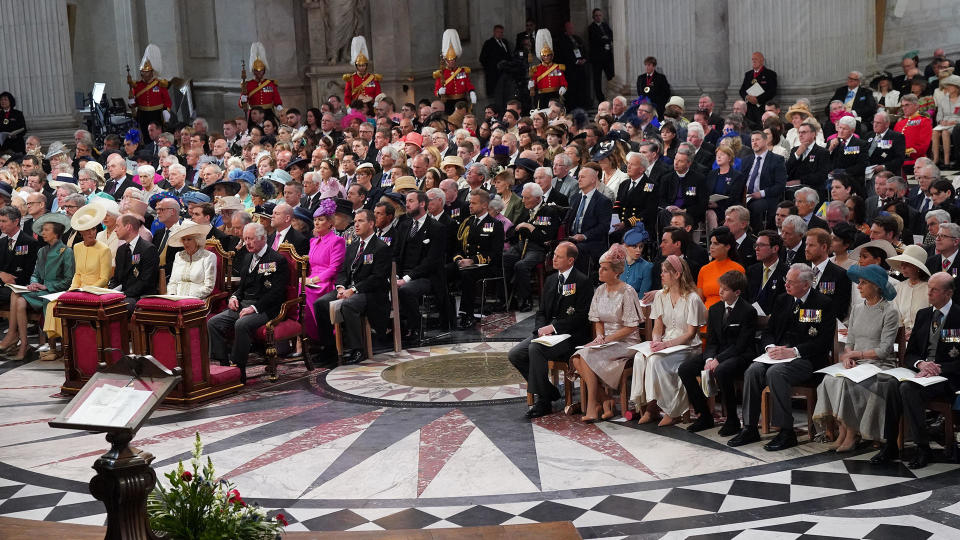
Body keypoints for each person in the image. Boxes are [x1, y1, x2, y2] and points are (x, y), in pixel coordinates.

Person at [728, 264, 836, 451]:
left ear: (805, 284)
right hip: (777, 355)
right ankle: (750, 427)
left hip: (806, 359)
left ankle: (786, 431)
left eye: (791, 282)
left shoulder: (823, 303)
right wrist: (770, 347)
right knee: (753, 370)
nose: (786, 284)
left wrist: (793, 351)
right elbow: (769, 331)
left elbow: (823, 343)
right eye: (786, 280)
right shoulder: (782, 300)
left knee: (776, 373)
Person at [814, 264, 899, 452]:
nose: (858, 287)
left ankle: (852, 434)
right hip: (857, 362)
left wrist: (856, 354)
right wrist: (847, 358)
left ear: (876, 286)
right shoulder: (858, 308)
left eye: (863, 283)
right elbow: (850, 340)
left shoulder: (889, 311)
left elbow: (885, 350)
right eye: (858, 283)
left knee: (849, 384)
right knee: (830, 380)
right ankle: (842, 431)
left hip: (879, 364)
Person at [509, 241, 593, 418]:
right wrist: (541, 328)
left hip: (570, 336)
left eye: (558, 256)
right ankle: (549, 391)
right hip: (547, 335)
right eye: (554, 254)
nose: (553, 258)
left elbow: (581, 317)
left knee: (535, 349)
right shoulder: (551, 279)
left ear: (570, 260)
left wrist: (554, 328)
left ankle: (544, 402)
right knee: (515, 354)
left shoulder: (582, 282)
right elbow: (541, 311)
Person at [570, 244, 643, 422]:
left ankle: (593, 404)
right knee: (577, 358)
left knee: (584, 356)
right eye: (600, 268)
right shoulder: (600, 291)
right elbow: (597, 320)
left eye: (604, 269)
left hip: (627, 342)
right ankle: (605, 401)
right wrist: (600, 337)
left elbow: (631, 327)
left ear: (616, 272)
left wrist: (607, 339)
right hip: (606, 341)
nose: (600, 272)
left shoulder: (627, 291)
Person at [208, 223, 289, 384]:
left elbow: (276, 293)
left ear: (263, 239)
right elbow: (242, 287)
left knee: (241, 324)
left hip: (265, 308)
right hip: (244, 303)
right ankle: (224, 365)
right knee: (213, 322)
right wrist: (234, 297)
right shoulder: (247, 257)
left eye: (251, 239)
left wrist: (254, 308)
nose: (247, 243)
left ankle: (239, 368)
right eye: (245, 239)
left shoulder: (277, 260)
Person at [630, 254, 706, 426]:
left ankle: (672, 410)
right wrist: (656, 341)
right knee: (640, 357)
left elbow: (690, 334)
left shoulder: (692, 298)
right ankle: (652, 406)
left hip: (688, 347)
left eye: (665, 272)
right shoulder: (661, 296)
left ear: (677, 274)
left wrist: (666, 344)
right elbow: (657, 326)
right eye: (662, 271)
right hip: (666, 344)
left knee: (656, 361)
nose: (661, 275)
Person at [679, 270, 757, 433]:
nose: (720, 291)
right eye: (720, 287)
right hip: (718, 353)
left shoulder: (748, 311)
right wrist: (709, 359)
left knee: (722, 370)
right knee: (685, 369)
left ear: (737, 292)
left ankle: (732, 420)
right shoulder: (715, 309)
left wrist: (718, 360)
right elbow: (712, 341)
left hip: (740, 355)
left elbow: (741, 346)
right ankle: (705, 415)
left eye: (725, 289)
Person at [313, 209, 391, 364]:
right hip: (348, 289)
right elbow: (342, 271)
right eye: (355, 221)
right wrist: (341, 287)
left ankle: (357, 349)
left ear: (371, 223)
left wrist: (353, 290)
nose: (356, 225)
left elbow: (377, 278)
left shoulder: (381, 247)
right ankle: (329, 348)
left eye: (360, 221)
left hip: (370, 293)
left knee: (349, 305)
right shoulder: (352, 246)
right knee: (320, 303)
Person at [0, 214, 74, 361]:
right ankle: (24, 343)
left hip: (55, 292)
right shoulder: (42, 251)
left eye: (46, 230)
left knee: (18, 298)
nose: (43, 233)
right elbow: (35, 274)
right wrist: (34, 283)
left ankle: (20, 342)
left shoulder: (66, 252)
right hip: (40, 290)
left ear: (56, 233)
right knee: (17, 297)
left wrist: (46, 285)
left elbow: (68, 280)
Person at [503, 182, 563, 312]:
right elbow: (513, 230)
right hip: (520, 245)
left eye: (527, 198)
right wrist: (524, 229)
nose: (523, 200)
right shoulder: (525, 209)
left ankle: (525, 301)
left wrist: (530, 227)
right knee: (505, 258)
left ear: (537, 198)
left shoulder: (548, 211)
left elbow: (545, 237)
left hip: (538, 248)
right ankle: (506, 299)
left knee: (521, 265)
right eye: (523, 197)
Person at [454, 189, 504, 328]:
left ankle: (466, 314)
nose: (470, 206)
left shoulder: (495, 225)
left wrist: (473, 261)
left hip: (486, 266)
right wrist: (459, 259)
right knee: (443, 271)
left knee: (467, 275)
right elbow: (458, 246)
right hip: (465, 263)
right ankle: (446, 313)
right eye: (470, 202)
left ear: (484, 205)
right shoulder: (467, 222)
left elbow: (495, 253)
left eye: (474, 203)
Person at [302, 199, 346, 352]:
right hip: (312, 280)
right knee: (297, 290)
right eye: (315, 220)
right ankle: (311, 338)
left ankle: (325, 340)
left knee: (307, 292)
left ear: (330, 223)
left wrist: (313, 280)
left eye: (320, 220)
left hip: (327, 282)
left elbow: (334, 268)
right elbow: (312, 266)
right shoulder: (313, 241)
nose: (316, 223)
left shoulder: (337, 241)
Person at [109, 213, 160, 313]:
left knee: (117, 308)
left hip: (140, 295)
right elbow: (117, 278)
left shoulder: (148, 249)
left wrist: (124, 294)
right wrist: (110, 291)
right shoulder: (121, 249)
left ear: (128, 227)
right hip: (124, 294)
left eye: (118, 226)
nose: (115, 230)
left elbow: (146, 281)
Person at [697, 227, 744, 311]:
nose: (711, 247)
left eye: (716, 243)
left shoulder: (737, 269)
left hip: (727, 315)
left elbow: (739, 299)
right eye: (711, 243)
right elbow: (699, 300)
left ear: (727, 247)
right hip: (705, 315)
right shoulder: (704, 269)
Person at [166, 220, 217, 298]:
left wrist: (189, 298)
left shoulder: (208, 257)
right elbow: (173, 282)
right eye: (183, 239)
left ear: (197, 240)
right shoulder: (178, 256)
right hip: (175, 300)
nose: (186, 242)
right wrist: (172, 295)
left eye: (189, 239)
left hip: (196, 301)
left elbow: (208, 287)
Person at [889, 245, 931, 338]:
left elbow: (933, 318)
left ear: (917, 267)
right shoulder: (899, 287)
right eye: (902, 263)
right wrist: (901, 334)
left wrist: (916, 332)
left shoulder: (930, 288)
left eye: (907, 264)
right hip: (901, 338)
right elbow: (896, 315)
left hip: (923, 338)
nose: (902, 267)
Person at [128, 45, 172, 134]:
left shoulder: (160, 84)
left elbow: (167, 100)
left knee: (158, 135)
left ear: (152, 72)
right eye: (142, 71)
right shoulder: (137, 86)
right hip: (143, 115)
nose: (143, 74)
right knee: (145, 135)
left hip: (157, 114)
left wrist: (166, 110)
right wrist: (131, 102)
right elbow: (134, 103)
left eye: (146, 71)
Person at [434, 29, 477, 115]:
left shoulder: (463, 71)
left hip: (462, 100)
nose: (452, 62)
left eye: (453, 60)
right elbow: (436, 90)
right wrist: (439, 92)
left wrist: (471, 91)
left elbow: (467, 84)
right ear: (446, 61)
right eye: (450, 61)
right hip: (449, 102)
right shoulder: (442, 73)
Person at [241, 42, 283, 124]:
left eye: (261, 71)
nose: (259, 73)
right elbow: (241, 104)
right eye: (256, 71)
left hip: (268, 113)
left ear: (264, 71)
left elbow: (276, 98)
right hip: (254, 114)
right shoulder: (247, 84)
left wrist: (280, 108)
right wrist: (243, 100)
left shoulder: (270, 84)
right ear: (253, 71)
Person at [529, 30, 567, 109]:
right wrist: (531, 86)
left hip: (555, 94)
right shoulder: (536, 69)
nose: (546, 57)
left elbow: (563, 81)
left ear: (552, 56)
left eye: (548, 55)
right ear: (541, 56)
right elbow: (533, 83)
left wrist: (564, 87)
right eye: (544, 56)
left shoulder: (557, 67)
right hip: (542, 97)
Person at [738, 52, 778, 129]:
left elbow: (772, 91)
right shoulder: (748, 74)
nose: (753, 61)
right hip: (749, 110)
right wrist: (747, 97)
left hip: (762, 108)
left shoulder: (770, 74)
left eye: (756, 59)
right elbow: (742, 90)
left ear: (762, 60)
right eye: (752, 59)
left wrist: (758, 99)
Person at [342, 37, 382, 105]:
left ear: (366, 66)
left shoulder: (373, 78)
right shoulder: (350, 78)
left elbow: (378, 94)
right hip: (356, 107)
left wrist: (376, 103)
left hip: (371, 107)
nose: (361, 68)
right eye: (359, 66)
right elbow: (347, 96)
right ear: (356, 66)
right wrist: (348, 107)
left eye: (363, 65)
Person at [588, 8, 614, 103]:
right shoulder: (591, 27)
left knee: (611, 77)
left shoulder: (605, 25)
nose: (598, 17)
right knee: (597, 79)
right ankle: (600, 99)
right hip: (597, 58)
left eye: (600, 15)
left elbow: (611, 36)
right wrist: (604, 39)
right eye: (596, 16)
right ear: (593, 17)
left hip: (607, 57)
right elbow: (596, 40)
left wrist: (605, 38)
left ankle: (611, 96)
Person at [479, 25, 511, 99]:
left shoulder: (505, 42)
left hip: (505, 73)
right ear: (494, 32)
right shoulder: (489, 43)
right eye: (498, 32)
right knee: (496, 96)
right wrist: (492, 68)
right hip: (494, 75)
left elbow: (508, 56)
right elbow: (482, 59)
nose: (500, 34)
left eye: (501, 32)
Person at [622, 224, 653, 296]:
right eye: (634, 246)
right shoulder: (618, 263)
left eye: (641, 246)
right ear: (625, 246)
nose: (638, 250)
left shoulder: (647, 267)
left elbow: (642, 296)